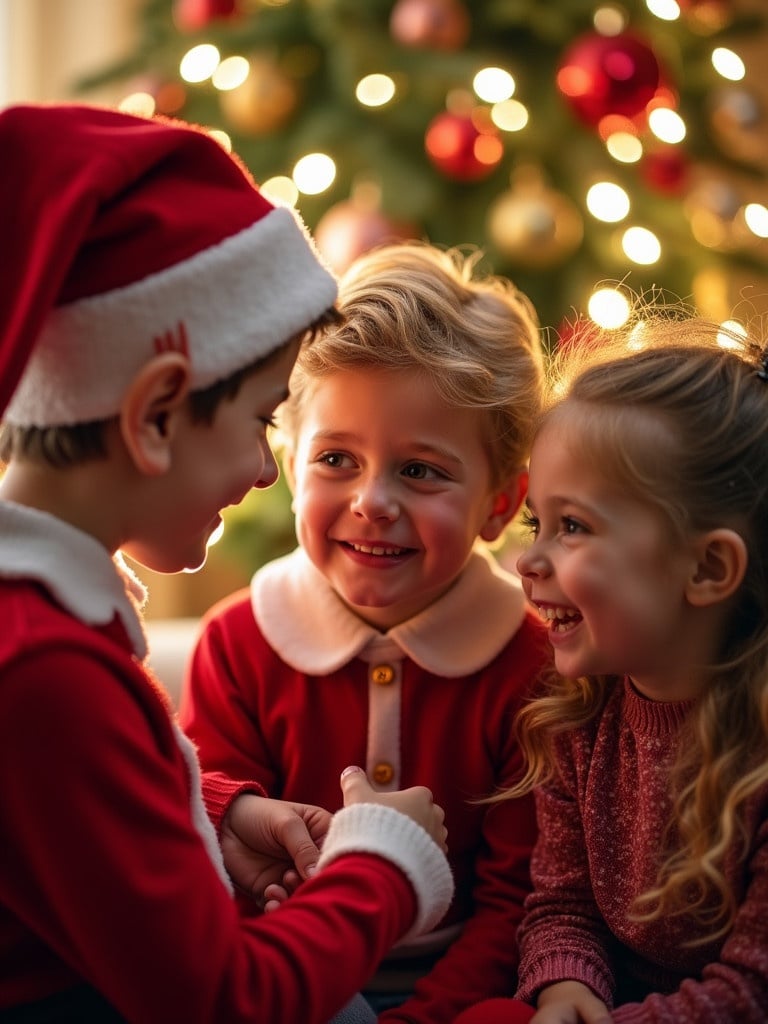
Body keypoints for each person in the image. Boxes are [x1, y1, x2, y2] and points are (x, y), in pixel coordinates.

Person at [0, 102, 455, 1024]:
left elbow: (63, 821)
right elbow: (222, 1002)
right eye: (258, 420)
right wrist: (383, 861)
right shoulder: (45, 669)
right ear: (157, 413)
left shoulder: (45, 621)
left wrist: (212, 815)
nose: (262, 469)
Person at [179, 241, 552, 1023]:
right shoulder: (238, 645)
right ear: (288, 460)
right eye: (337, 459)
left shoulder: (533, 661)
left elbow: (516, 902)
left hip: (463, 985)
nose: (372, 502)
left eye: (421, 470)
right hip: (291, 968)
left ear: (499, 502)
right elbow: (208, 843)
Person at [453, 312, 768, 1024]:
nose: (528, 562)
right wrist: (568, 987)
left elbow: (753, 989)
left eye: (574, 527)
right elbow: (560, 903)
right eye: (537, 522)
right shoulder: (581, 712)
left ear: (709, 567)